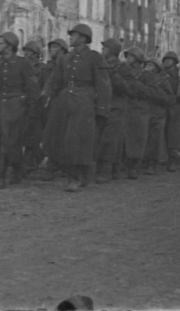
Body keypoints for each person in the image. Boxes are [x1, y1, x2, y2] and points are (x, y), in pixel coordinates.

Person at [45, 24, 110, 192]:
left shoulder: (96, 58)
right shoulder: (64, 58)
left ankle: (78, 175)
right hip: (65, 101)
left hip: (85, 102)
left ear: (83, 38)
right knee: (66, 140)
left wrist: (102, 108)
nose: (70, 38)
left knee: (80, 140)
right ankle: (76, 174)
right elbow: (56, 82)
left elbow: (104, 83)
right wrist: (52, 101)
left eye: (73, 35)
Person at [0, 31, 40, 189]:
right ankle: (17, 169)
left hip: (16, 108)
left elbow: (32, 88)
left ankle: (0, 175)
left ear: (10, 46)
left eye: (0, 43)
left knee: (7, 140)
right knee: (6, 142)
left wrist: (30, 110)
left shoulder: (22, 63)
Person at [94, 38, 133, 184]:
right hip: (102, 105)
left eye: (105, 48)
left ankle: (106, 170)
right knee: (102, 137)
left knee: (109, 139)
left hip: (117, 106)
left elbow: (129, 87)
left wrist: (113, 74)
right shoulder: (101, 65)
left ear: (112, 50)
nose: (102, 50)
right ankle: (113, 168)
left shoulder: (123, 68)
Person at [40, 38, 70, 182]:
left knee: (62, 134)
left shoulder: (67, 63)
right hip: (51, 102)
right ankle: (53, 163)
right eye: (50, 46)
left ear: (63, 49)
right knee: (50, 133)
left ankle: (58, 165)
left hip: (66, 102)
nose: (52, 49)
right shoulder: (48, 66)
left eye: (55, 47)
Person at [141, 58, 175, 175]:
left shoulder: (163, 80)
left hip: (157, 113)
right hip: (143, 111)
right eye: (147, 64)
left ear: (156, 68)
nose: (147, 67)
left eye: (151, 65)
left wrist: (156, 93)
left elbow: (170, 99)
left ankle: (152, 163)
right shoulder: (141, 77)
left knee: (155, 139)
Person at [121, 46, 149, 179]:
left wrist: (138, 88)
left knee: (137, 138)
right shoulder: (123, 71)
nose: (128, 59)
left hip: (138, 108)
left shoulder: (145, 74)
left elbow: (152, 91)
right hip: (125, 106)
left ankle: (134, 166)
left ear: (138, 60)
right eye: (127, 56)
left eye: (131, 56)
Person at [19, 40, 47, 174]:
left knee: (32, 133)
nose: (26, 54)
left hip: (36, 103)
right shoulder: (23, 66)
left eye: (29, 51)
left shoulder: (43, 68)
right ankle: (34, 157)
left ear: (36, 53)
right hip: (23, 102)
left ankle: (29, 160)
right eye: (25, 51)